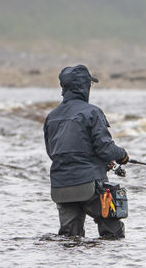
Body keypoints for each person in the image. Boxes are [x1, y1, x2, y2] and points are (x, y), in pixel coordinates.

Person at [43, 64, 131, 239]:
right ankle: (109, 265)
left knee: (70, 238)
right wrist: (122, 155)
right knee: (112, 229)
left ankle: (69, 267)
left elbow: (54, 152)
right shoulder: (92, 112)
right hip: (89, 185)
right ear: (85, 87)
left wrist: (99, 161)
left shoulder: (51, 117)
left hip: (61, 187)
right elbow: (105, 148)